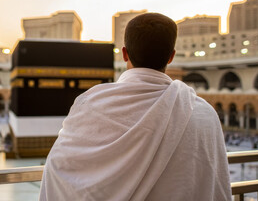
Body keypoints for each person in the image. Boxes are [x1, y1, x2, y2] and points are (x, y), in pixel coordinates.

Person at [39, 13, 231, 200]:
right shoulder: (204, 113)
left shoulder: (90, 104)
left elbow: (58, 169)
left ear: (124, 53)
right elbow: (215, 183)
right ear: (171, 56)